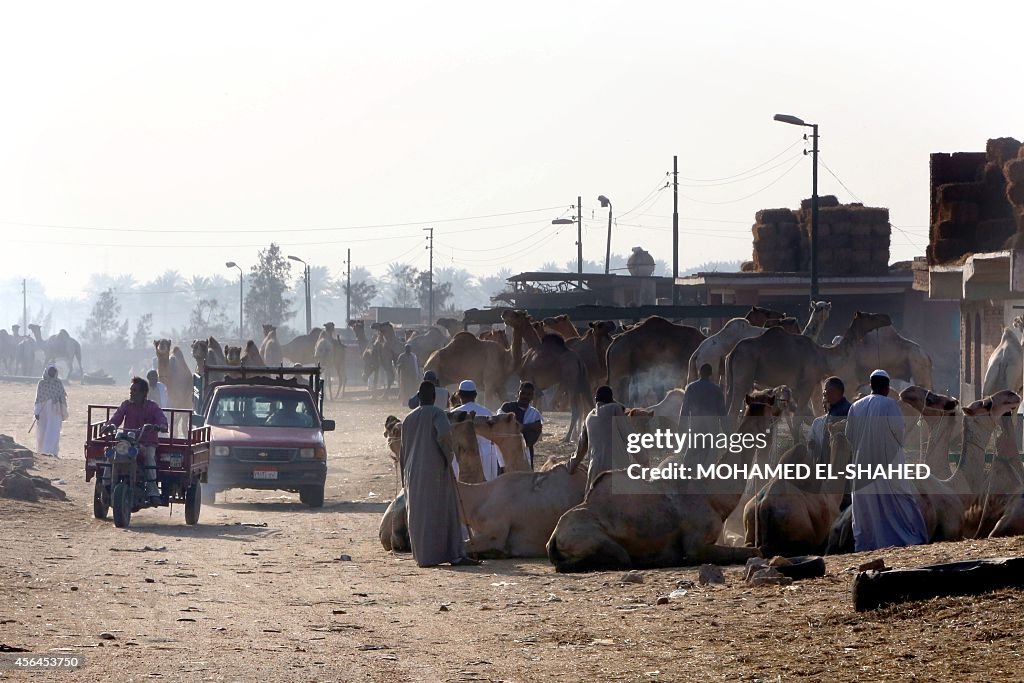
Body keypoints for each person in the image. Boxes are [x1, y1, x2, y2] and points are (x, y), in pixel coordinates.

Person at [845, 369, 928, 552]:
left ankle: (867, 545)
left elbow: (849, 436)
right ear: (887, 387)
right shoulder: (891, 406)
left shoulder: (855, 407)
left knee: (867, 508)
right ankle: (908, 539)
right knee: (900, 502)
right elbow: (899, 433)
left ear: (871, 385)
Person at [399, 381, 480, 567]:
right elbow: (444, 436)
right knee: (445, 510)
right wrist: (448, 457)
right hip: (435, 470)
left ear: (418, 396)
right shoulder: (438, 414)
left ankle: (424, 556)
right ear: (435, 398)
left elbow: (403, 451)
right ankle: (455, 555)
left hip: (412, 474)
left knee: (419, 513)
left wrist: (405, 475)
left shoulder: (408, 419)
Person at [105, 377, 169, 504]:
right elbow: (117, 417)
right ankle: (106, 484)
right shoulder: (126, 405)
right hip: (128, 442)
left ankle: (153, 491)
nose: (131, 392)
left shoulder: (152, 407)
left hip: (147, 442)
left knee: (149, 458)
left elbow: (162, 419)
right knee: (111, 455)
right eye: (131, 390)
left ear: (143, 393)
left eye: (135, 390)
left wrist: (160, 426)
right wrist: (110, 425)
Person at [568, 385, 627, 490]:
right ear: (612, 400)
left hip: (595, 470)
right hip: (616, 470)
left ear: (595, 400)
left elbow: (581, 449)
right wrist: (643, 460)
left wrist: (571, 467)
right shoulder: (616, 409)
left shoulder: (589, 417)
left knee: (591, 501)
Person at [452, 379, 504, 480]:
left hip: (461, 457)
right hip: (485, 456)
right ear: (475, 395)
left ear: (459, 395)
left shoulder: (454, 414)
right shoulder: (487, 412)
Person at [677, 363, 727, 468]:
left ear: (699, 373)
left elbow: (684, 410)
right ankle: (706, 480)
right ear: (711, 374)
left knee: (691, 455)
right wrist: (728, 432)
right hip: (712, 427)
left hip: (696, 425)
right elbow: (723, 414)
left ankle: (685, 477)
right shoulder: (717, 390)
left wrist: (681, 428)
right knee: (711, 457)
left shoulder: (691, 387)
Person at [809, 376, 852, 466]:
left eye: (825, 392)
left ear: (833, 392)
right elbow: (812, 449)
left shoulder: (850, 414)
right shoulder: (818, 423)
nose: (823, 397)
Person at [498, 382, 543, 470]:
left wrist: (520, 427)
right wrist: (528, 427)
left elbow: (530, 440)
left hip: (526, 456)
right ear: (518, 393)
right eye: (522, 393)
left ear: (532, 397)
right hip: (506, 455)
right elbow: (501, 427)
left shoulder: (535, 414)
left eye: (529, 394)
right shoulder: (506, 407)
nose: (525, 396)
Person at [33, 364, 68, 457]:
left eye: (54, 371)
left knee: (54, 430)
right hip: (43, 410)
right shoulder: (42, 383)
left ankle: (51, 451)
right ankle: (42, 451)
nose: (52, 373)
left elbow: (63, 398)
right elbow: (38, 399)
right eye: (50, 371)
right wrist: (36, 412)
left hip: (56, 410)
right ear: (47, 372)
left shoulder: (58, 383)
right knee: (42, 430)